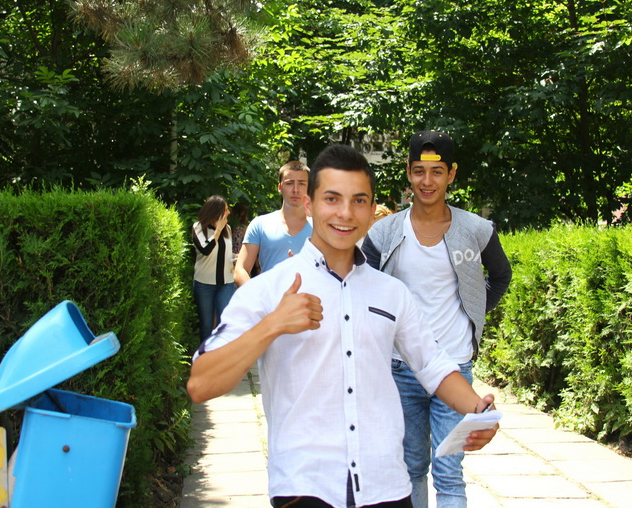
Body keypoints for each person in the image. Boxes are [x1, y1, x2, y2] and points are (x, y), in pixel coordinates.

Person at [188, 144, 499, 508]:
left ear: (371, 210)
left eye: (359, 201)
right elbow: (201, 384)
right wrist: (272, 325)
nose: (345, 213)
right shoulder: (270, 289)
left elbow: (432, 364)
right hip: (306, 488)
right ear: (309, 205)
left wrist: (479, 411)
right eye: (332, 199)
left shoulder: (392, 292)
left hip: (387, 486)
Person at [362, 131, 512, 508]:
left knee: (449, 472)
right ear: (409, 173)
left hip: (454, 365)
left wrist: (472, 312)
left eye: (436, 172)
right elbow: (363, 287)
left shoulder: (475, 229)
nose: (427, 181)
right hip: (401, 368)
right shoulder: (384, 232)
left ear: (451, 174)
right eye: (419, 171)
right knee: (410, 467)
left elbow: (501, 275)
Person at [234, 160, 312, 286]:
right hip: (269, 298)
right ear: (279, 187)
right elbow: (240, 270)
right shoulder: (260, 224)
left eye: (302, 184)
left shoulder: (322, 228)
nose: (295, 189)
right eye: (289, 183)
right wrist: (257, 295)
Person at [191, 195, 236, 343]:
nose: (228, 213)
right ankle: (205, 355)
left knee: (225, 322)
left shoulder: (228, 229)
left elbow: (224, 253)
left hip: (226, 283)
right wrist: (218, 230)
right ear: (216, 212)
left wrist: (236, 257)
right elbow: (206, 250)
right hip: (205, 284)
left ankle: (223, 353)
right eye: (225, 210)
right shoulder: (198, 228)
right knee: (207, 324)